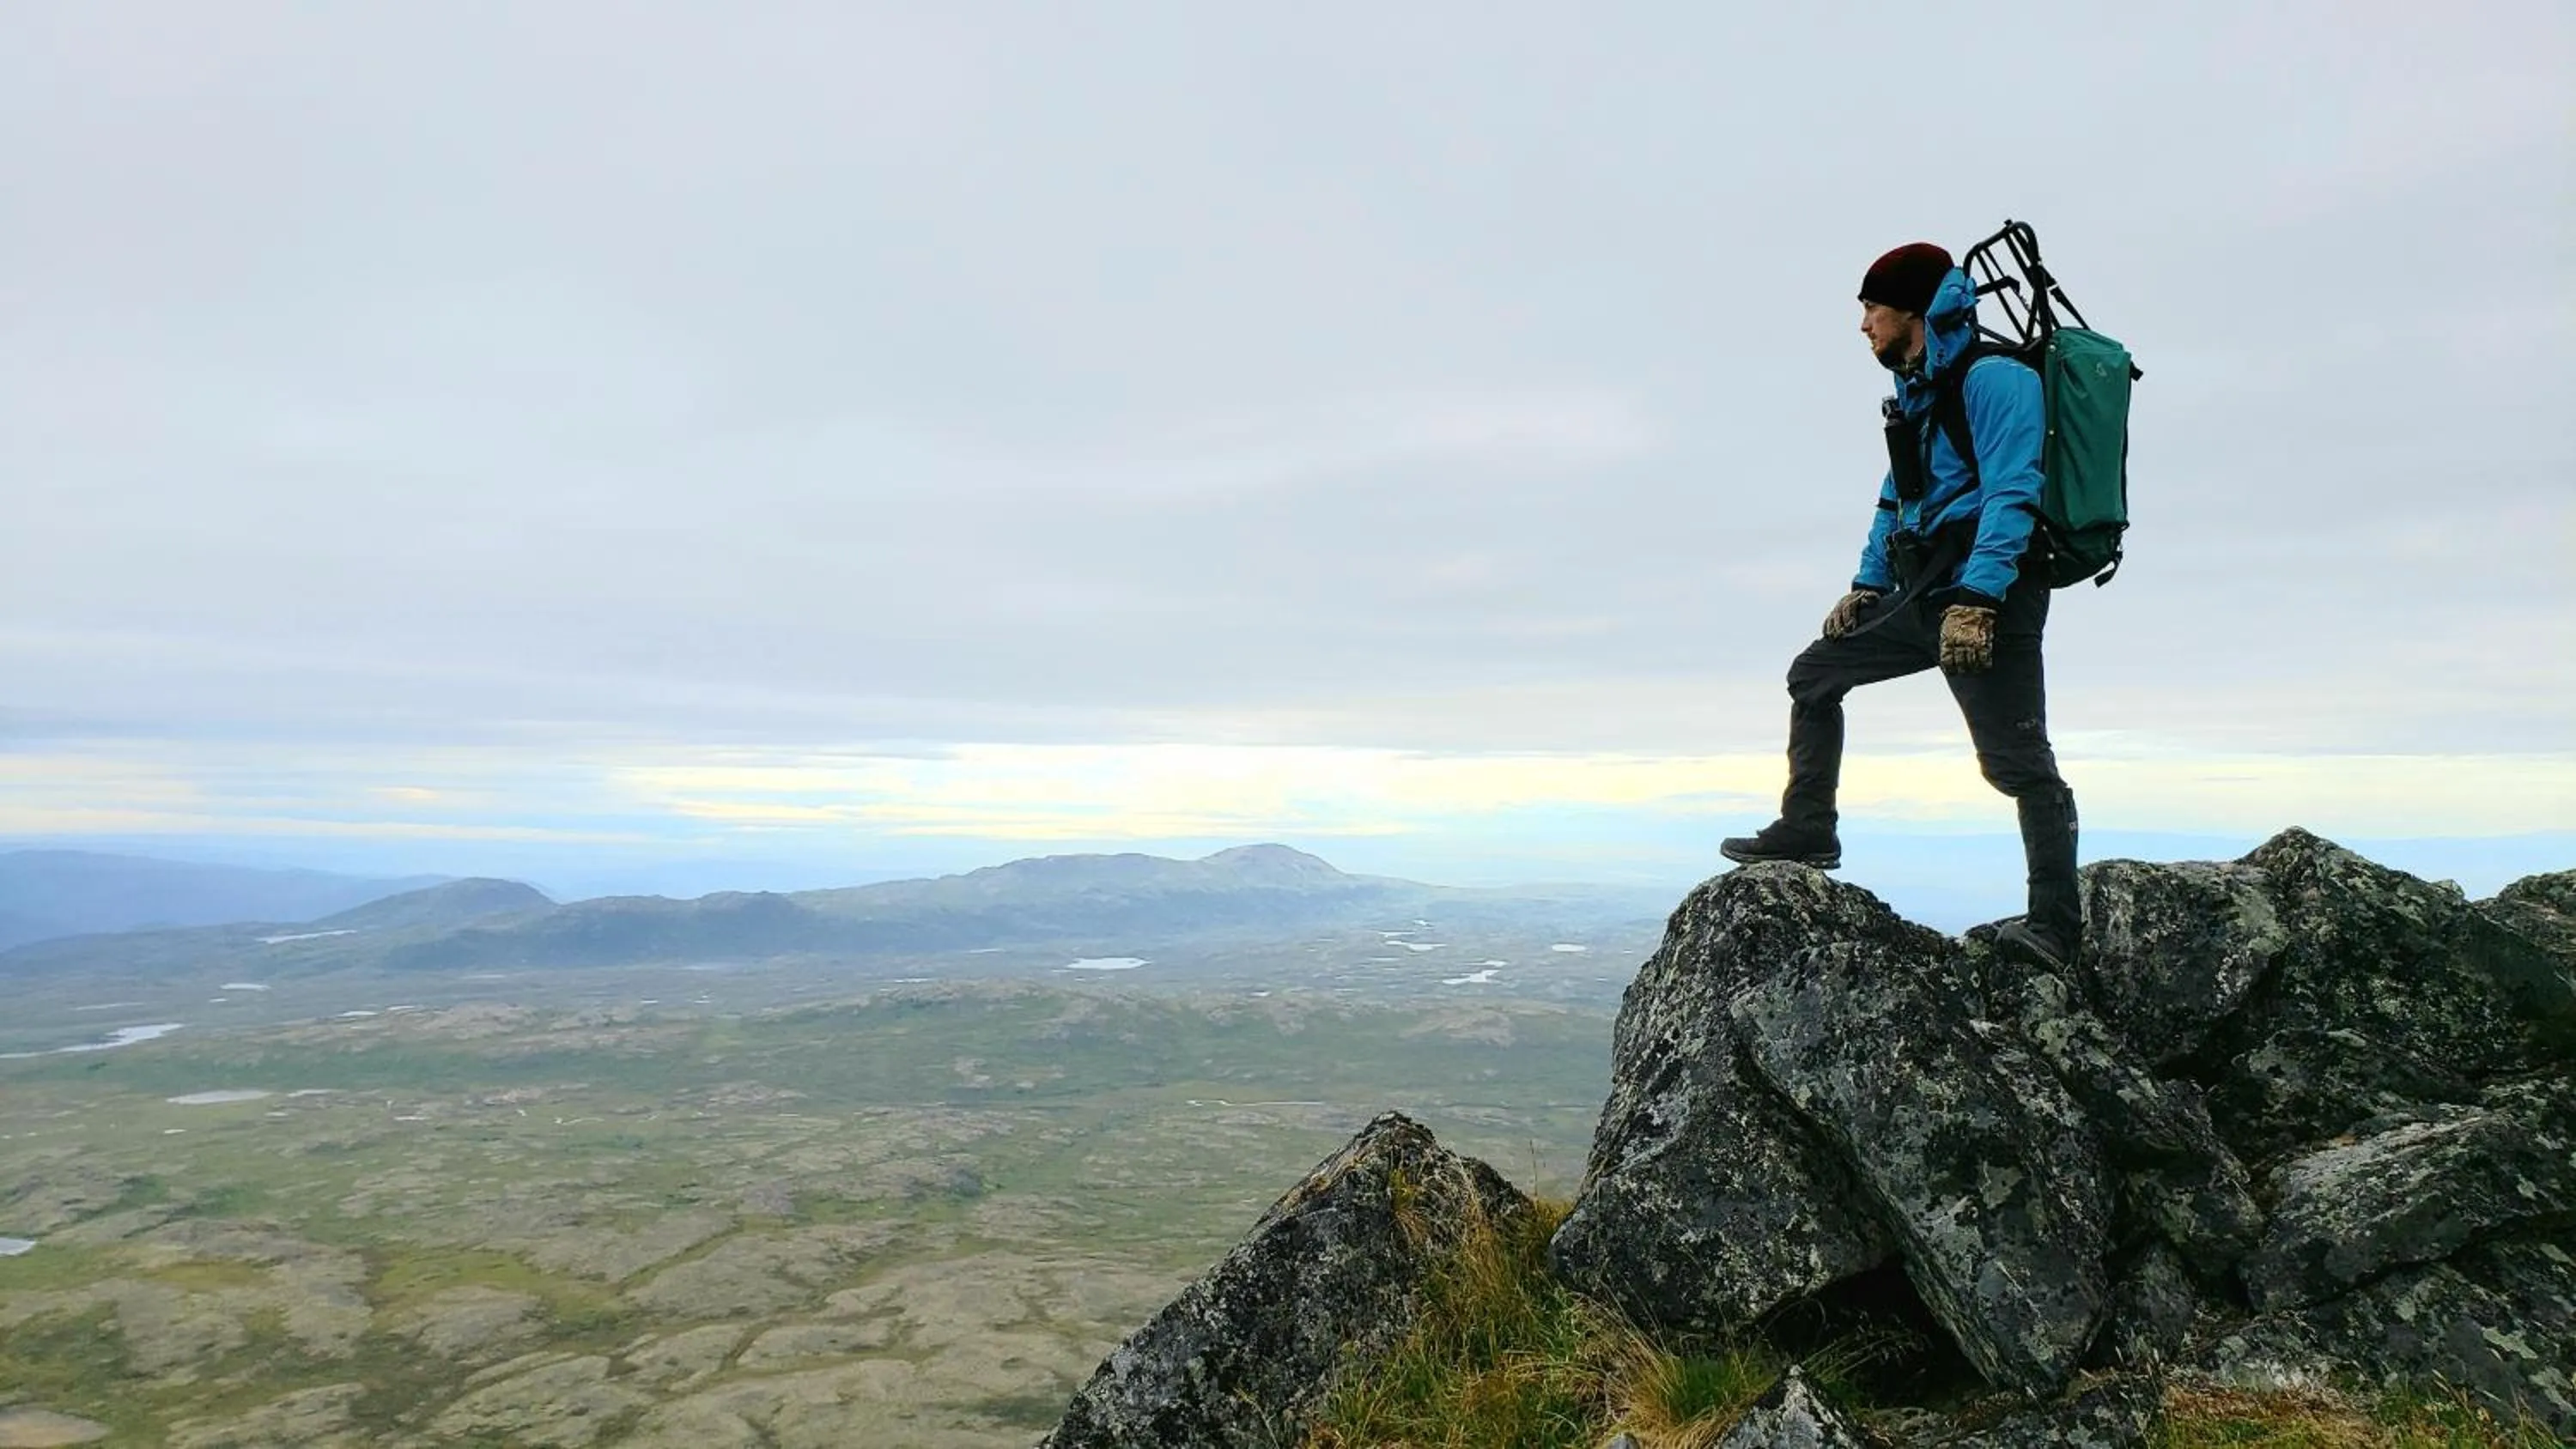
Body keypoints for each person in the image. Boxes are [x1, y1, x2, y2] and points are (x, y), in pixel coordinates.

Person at [1719, 241, 2081, 970]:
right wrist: (1866, 585)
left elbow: (2014, 490)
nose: (1864, 326)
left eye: (1872, 309)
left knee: (2016, 762)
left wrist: (1979, 599)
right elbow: (1895, 501)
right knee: (1814, 675)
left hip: (1989, 594)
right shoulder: (1917, 394)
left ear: (1912, 312)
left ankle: (2056, 926)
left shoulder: (1996, 380)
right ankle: (1809, 828)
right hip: (1922, 589)